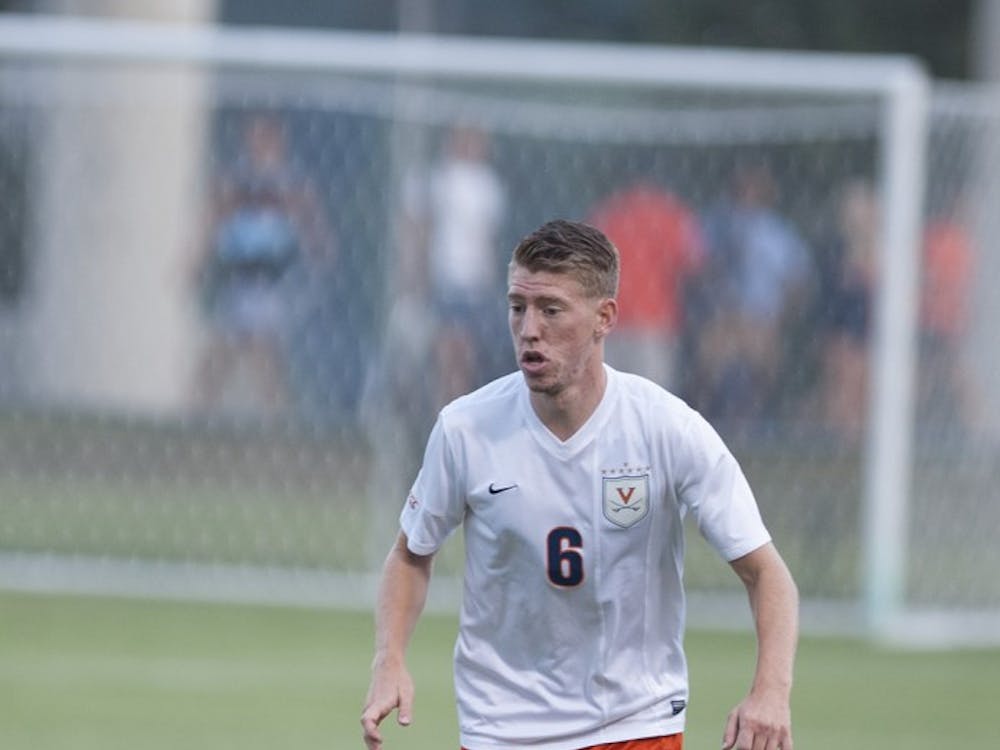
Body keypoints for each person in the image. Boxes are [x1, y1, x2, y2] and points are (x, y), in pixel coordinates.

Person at [361, 219, 798, 750]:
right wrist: (390, 661)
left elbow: (766, 573)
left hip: (635, 725)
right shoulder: (465, 429)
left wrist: (770, 692)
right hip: (502, 729)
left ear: (604, 318)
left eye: (551, 309)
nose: (528, 330)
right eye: (517, 307)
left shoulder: (666, 429)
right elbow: (411, 554)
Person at [193, 113, 333, 416]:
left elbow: (312, 229)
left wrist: (316, 255)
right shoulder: (238, 182)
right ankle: (198, 417)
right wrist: (198, 262)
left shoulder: (290, 185)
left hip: (271, 284)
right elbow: (215, 220)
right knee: (219, 358)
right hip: (239, 281)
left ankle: (277, 421)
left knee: (265, 359)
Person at [401, 124, 507, 408]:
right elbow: (417, 231)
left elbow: (488, 242)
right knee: (447, 353)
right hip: (442, 281)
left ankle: (454, 412)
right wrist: (416, 278)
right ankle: (441, 413)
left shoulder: (487, 184)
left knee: (465, 356)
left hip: (474, 285)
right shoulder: (433, 179)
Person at [588, 182, 705, 390]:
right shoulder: (670, 214)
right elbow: (694, 265)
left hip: (608, 319)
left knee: (606, 395)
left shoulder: (610, 212)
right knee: (651, 397)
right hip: (654, 321)